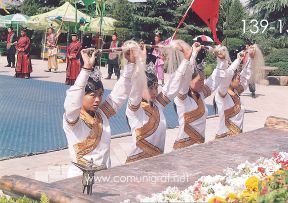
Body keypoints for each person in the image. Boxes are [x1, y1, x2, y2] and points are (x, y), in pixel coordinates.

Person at [63, 43, 142, 177]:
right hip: (78, 179)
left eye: (100, 95)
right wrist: (86, 69)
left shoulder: (102, 114)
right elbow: (72, 100)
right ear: (82, 95)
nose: (98, 100)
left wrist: (131, 63)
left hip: (104, 177)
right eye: (92, 95)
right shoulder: (73, 120)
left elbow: (119, 93)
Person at [125, 40, 199, 163]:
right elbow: (136, 88)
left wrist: (187, 59)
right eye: (150, 88)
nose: (154, 91)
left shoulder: (157, 105)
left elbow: (174, 83)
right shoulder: (134, 110)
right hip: (137, 164)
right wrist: (140, 62)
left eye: (155, 87)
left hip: (157, 161)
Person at [213, 49, 251, 139]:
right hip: (225, 138)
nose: (240, 80)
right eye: (238, 78)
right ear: (230, 80)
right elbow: (227, 76)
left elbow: (246, 76)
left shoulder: (236, 92)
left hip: (237, 137)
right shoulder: (223, 94)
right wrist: (237, 61)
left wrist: (250, 59)